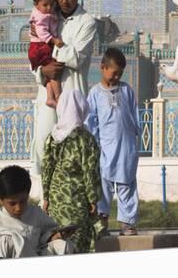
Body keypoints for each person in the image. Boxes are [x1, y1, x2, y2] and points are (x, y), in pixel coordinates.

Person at [30, 0, 97, 189]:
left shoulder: (86, 22)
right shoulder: (48, 15)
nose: (64, 1)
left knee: (71, 151)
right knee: (43, 144)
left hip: (71, 94)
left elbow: (77, 58)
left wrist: (51, 50)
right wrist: (44, 70)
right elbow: (33, 57)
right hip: (47, 91)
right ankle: (46, 202)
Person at [85, 48, 140, 236]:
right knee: (104, 187)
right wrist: (94, 145)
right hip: (105, 150)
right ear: (103, 68)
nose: (117, 76)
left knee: (127, 185)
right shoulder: (95, 93)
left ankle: (128, 223)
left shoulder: (126, 90)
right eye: (114, 72)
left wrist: (134, 138)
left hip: (126, 148)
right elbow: (91, 121)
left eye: (120, 73)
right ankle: (102, 223)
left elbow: (134, 115)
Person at [42, 89, 103, 253]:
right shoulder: (86, 139)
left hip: (56, 200)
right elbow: (90, 172)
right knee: (77, 244)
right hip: (78, 200)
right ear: (82, 108)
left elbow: (46, 169)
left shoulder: (52, 137)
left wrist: (46, 197)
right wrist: (93, 199)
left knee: (57, 243)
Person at [0, 165, 75, 259]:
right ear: (1, 200)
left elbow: (45, 236)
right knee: (9, 240)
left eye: (22, 201)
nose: (18, 208)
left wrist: (56, 236)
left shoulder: (35, 213)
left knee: (63, 245)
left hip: (38, 260)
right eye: (12, 203)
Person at [28, 0, 64, 108]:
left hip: (36, 49)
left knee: (48, 75)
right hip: (41, 48)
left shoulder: (43, 12)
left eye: (52, 4)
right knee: (54, 71)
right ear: (36, 4)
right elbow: (41, 32)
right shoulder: (41, 16)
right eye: (45, 5)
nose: (49, 8)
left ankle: (50, 98)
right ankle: (59, 96)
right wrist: (54, 40)